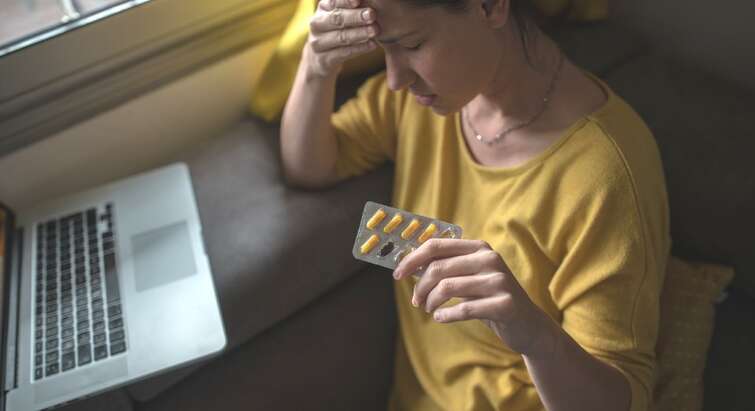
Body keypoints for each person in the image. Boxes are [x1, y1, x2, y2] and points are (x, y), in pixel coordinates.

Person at [280, 0, 670, 409]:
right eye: (384, 48)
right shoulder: (422, 103)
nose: (395, 79)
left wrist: (536, 337)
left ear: (489, 6)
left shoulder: (605, 174)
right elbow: (312, 166)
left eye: (412, 45)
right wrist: (315, 67)